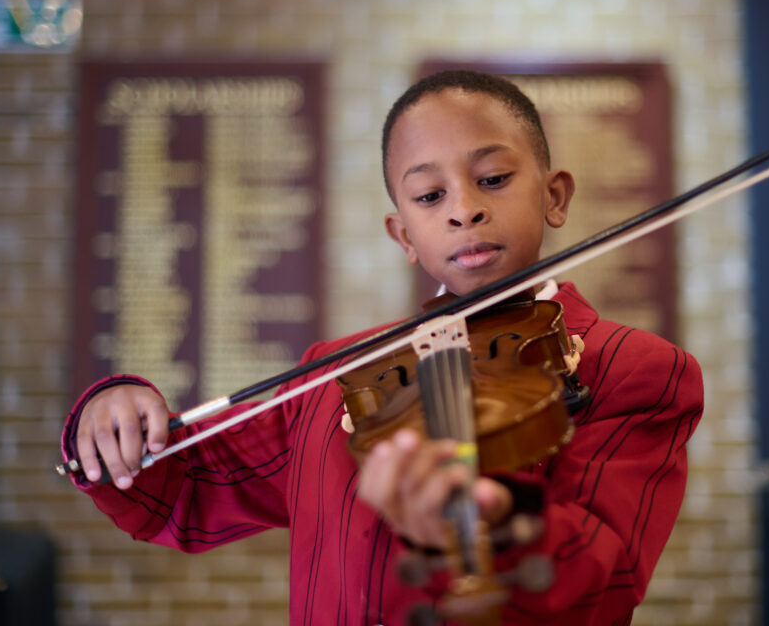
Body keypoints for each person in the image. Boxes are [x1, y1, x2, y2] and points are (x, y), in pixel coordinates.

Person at [61, 69, 704, 625]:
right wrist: (114, 410)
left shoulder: (631, 367)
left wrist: (497, 514)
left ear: (555, 195)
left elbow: (606, 581)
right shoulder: (341, 373)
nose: (463, 211)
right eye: (430, 196)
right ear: (404, 232)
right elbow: (184, 492)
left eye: (494, 178)